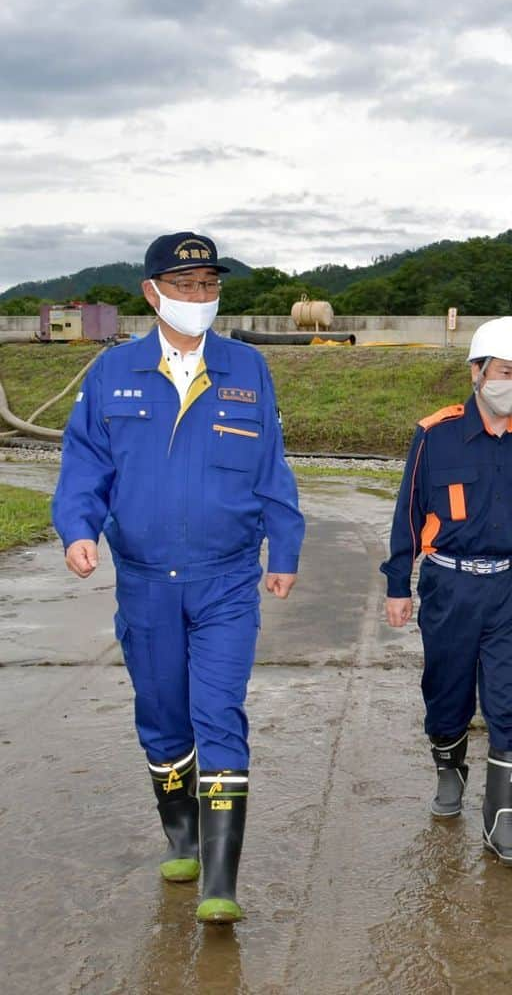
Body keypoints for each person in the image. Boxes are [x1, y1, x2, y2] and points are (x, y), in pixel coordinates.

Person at [52, 232, 305, 924]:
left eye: (208, 285)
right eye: (185, 284)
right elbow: (84, 467)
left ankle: (221, 883)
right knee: (163, 718)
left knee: (218, 714)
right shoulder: (113, 374)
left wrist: (283, 550)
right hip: (144, 582)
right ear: (151, 293)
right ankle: (183, 836)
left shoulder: (248, 368)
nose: (200, 297)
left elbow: (272, 469)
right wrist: (78, 529)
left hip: (225, 580)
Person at [381, 316, 512, 869]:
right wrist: (399, 584)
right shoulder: (435, 434)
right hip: (449, 586)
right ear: (477, 372)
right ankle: (449, 768)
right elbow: (409, 512)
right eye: (504, 371)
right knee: (447, 695)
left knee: (510, 702)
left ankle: (501, 819)